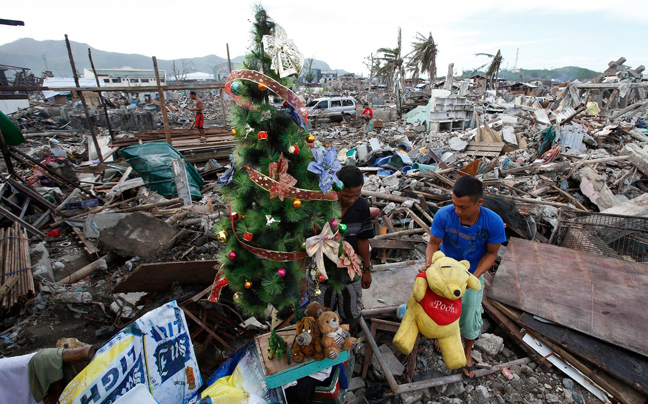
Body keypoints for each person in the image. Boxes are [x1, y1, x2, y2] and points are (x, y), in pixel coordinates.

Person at [422, 175, 506, 379]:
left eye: (463, 207)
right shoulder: (445, 215)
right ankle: (444, 337)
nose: (458, 211)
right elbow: (433, 244)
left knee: (469, 316)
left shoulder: (493, 222)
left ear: (479, 203)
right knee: (442, 311)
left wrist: (473, 277)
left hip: (472, 273)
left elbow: (492, 254)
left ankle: (467, 351)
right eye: (455, 205)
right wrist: (430, 266)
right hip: (446, 272)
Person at [309, 166, 374, 326]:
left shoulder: (362, 206)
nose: (351, 200)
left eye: (356, 195)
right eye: (346, 196)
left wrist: (366, 269)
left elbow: (363, 240)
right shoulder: (320, 205)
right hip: (321, 271)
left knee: (351, 315)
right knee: (321, 317)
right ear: (336, 187)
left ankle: (346, 343)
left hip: (350, 271)